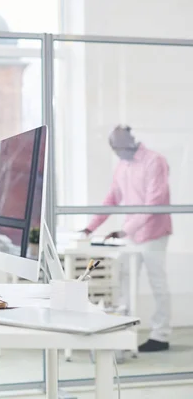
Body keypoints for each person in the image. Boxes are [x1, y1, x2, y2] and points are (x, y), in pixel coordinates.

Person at [81, 125, 172, 352]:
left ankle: (161, 335)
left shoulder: (154, 161)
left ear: (130, 140)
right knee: (124, 281)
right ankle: (125, 331)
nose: (117, 150)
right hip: (132, 234)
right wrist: (89, 228)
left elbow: (153, 204)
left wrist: (125, 230)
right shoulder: (122, 166)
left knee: (157, 282)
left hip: (154, 233)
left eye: (119, 145)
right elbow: (111, 199)